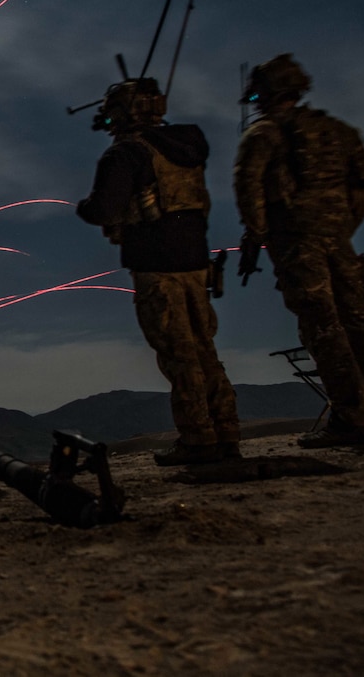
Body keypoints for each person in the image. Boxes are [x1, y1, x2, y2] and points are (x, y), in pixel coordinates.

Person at [233, 53, 364, 447]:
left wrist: (259, 235)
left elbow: (248, 190)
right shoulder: (339, 131)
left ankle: (349, 418)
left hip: (296, 244)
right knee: (361, 324)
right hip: (340, 242)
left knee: (323, 329)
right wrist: (342, 226)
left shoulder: (263, 136)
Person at [76, 78, 241, 466]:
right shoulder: (187, 149)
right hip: (196, 264)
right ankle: (227, 433)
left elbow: (103, 209)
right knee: (205, 350)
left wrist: (83, 207)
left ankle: (199, 439)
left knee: (177, 354)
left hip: (155, 265)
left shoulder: (126, 155)